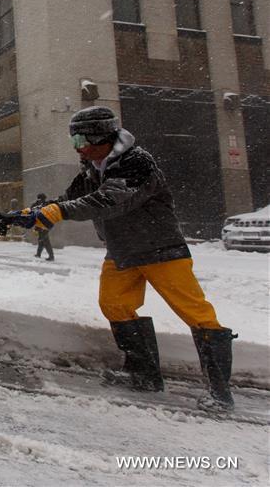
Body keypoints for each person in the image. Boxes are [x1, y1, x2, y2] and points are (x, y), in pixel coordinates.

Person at [16, 106, 235, 412]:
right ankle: (142, 373)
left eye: (80, 138)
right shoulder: (91, 167)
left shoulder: (137, 162)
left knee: (196, 313)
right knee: (114, 304)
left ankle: (220, 392)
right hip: (121, 251)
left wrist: (59, 212)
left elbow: (110, 200)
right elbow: (69, 199)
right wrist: (31, 214)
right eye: (73, 140)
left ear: (101, 135)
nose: (77, 146)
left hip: (160, 249)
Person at [31, 193, 55, 261]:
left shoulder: (40, 205)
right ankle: (38, 254)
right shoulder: (46, 204)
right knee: (41, 239)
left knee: (45, 240)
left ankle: (51, 256)